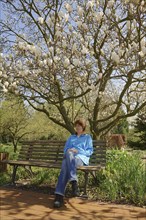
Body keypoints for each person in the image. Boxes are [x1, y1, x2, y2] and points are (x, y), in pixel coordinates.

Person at [54, 119, 93, 208]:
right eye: (76, 126)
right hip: (70, 158)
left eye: (80, 126)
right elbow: (65, 150)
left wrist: (78, 150)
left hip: (80, 159)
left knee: (64, 164)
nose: (78, 127)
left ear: (83, 127)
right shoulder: (71, 137)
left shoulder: (87, 137)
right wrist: (70, 151)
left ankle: (58, 197)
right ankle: (73, 182)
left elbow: (90, 151)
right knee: (68, 154)